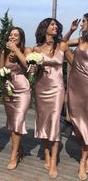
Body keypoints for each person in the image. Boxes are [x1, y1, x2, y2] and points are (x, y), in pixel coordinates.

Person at [33, 18, 73, 178]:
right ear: (45, 28)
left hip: (57, 88)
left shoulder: (62, 45)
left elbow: (76, 64)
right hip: (41, 88)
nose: (55, 27)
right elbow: (33, 72)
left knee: (55, 123)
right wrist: (32, 67)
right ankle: (47, 155)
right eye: (52, 25)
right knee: (43, 123)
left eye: (57, 25)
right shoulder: (36, 49)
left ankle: (54, 160)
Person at [0, 27, 31, 170]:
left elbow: (28, 66)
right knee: (13, 123)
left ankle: (13, 156)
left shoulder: (26, 50)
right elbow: (0, 71)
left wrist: (16, 51)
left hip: (23, 89)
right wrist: (4, 79)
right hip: (9, 90)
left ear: (20, 38)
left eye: (16, 35)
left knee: (18, 121)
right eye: (11, 35)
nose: (12, 37)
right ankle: (19, 148)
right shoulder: (4, 52)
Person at [64, 13, 88, 180]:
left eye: (84, 22)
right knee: (77, 122)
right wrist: (71, 30)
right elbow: (63, 44)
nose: (81, 24)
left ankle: (83, 161)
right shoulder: (80, 41)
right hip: (75, 85)